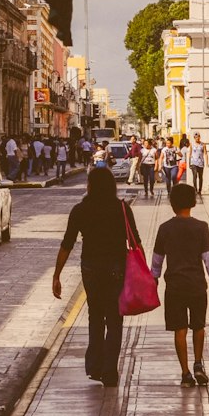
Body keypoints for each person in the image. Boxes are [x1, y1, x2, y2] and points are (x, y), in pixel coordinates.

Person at [52, 166, 141, 387]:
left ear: (90, 186)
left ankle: (95, 366)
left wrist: (57, 275)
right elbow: (136, 242)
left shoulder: (81, 209)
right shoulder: (121, 208)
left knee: (95, 315)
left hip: (90, 268)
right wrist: (143, 273)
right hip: (116, 268)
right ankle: (110, 370)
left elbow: (67, 244)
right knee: (114, 318)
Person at [151, 182, 209, 387]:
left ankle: (185, 373)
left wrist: (153, 282)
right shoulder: (201, 227)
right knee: (198, 326)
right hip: (197, 286)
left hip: (174, 286)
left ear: (172, 203)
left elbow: (157, 261)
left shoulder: (164, 228)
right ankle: (198, 364)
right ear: (193, 203)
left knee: (180, 329)